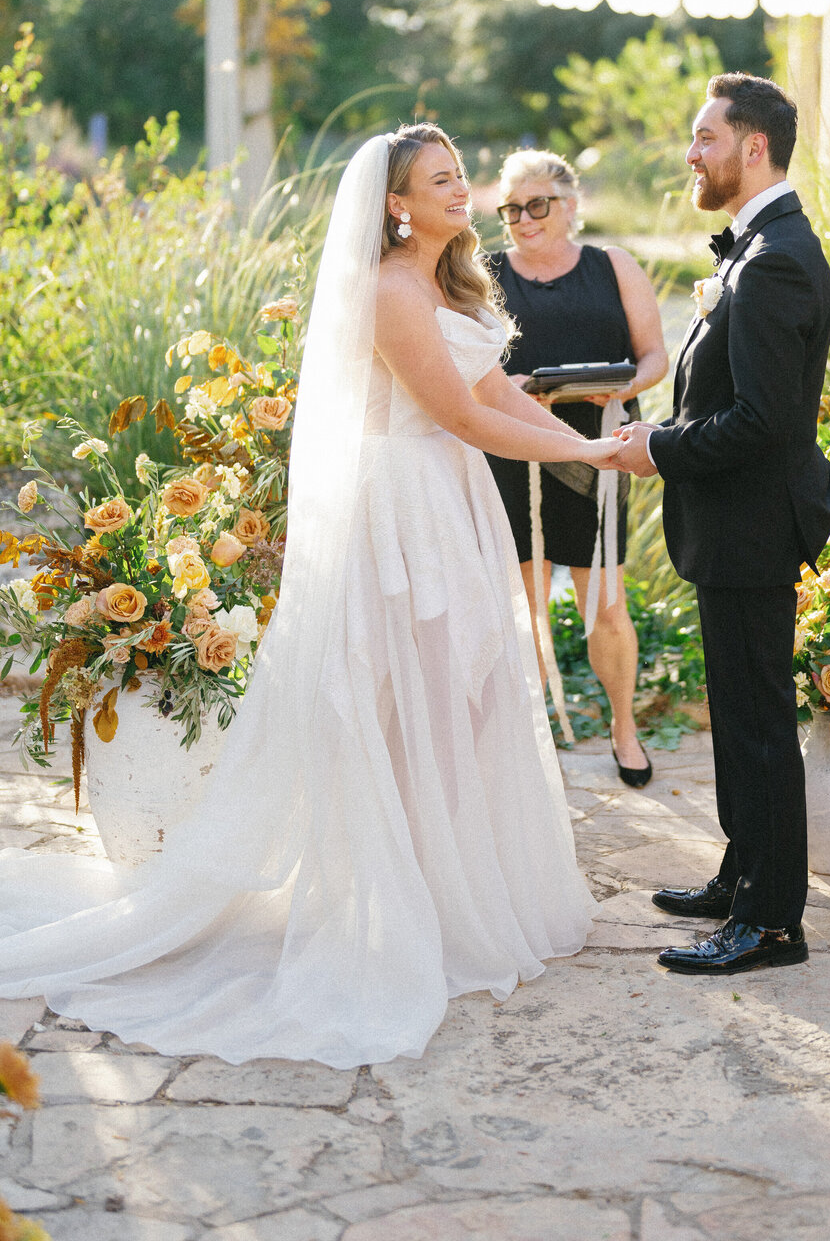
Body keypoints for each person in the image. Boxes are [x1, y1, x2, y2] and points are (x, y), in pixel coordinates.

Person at [0, 125, 618, 1066]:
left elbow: (502, 392)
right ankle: (397, 906)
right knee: (396, 699)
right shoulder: (387, 291)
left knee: (466, 692)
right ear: (396, 205)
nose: (465, 193)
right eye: (442, 181)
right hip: (400, 505)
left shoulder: (455, 282)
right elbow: (460, 416)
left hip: (451, 503)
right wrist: (580, 452)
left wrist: (601, 444)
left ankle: (462, 893)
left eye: (462, 178)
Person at [614, 73, 830, 975]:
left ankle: (772, 922)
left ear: (754, 148)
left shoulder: (779, 258)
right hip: (732, 524)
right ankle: (740, 872)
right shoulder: (753, 249)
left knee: (757, 724)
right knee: (739, 713)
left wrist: (658, 450)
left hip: (753, 526)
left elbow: (766, 424)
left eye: (705, 138)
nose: (691, 153)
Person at [486, 151, 668, 787]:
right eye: (512, 209)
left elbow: (653, 359)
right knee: (525, 604)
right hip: (513, 450)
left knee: (606, 602)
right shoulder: (481, 275)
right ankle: (533, 738)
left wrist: (617, 389)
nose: (524, 219)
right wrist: (507, 387)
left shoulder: (612, 264)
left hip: (601, 447)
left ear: (569, 203)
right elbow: (466, 375)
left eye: (538, 204)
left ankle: (624, 728)